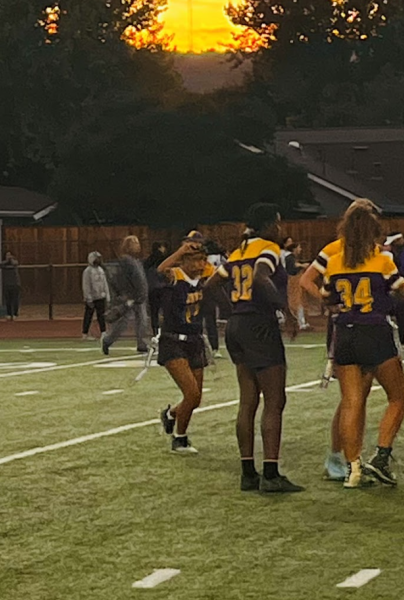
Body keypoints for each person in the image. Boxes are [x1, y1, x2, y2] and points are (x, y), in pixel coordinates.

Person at [209, 202, 303, 493]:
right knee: (274, 401)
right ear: (268, 225)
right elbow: (262, 277)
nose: (281, 228)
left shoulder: (238, 252)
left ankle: (248, 472)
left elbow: (211, 286)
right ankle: (271, 474)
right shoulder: (267, 249)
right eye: (277, 223)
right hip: (259, 327)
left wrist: (234, 310)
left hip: (238, 327)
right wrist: (285, 311)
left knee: (248, 401)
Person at [321, 204, 404, 488]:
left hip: (345, 332)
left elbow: (326, 296)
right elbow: (401, 290)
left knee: (351, 402)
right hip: (375, 331)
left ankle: (353, 470)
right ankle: (381, 455)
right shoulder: (382, 259)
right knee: (398, 397)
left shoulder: (335, 262)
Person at [299, 199, 381, 482]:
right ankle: (338, 455)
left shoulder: (369, 250)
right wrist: (329, 302)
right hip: (349, 327)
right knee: (352, 397)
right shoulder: (335, 249)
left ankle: (350, 453)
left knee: (359, 395)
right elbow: (306, 280)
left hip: (361, 326)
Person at [156, 237, 215, 454]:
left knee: (195, 398)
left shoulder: (205, 276)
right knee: (190, 392)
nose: (200, 265)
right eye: (195, 260)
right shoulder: (176, 276)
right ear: (183, 261)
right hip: (173, 340)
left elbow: (223, 274)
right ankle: (179, 439)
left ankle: (171, 414)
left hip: (195, 340)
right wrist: (180, 251)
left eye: (202, 260)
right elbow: (161, 269)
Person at [102, 236, 150, 355]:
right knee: (122, 322)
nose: (137, 245)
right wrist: (127, 295)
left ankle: (142, 344)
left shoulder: (136, 261)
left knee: (142, 320)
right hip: (131, 296)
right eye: (134, 243)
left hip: (139, 296)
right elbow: (125, 279)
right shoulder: (126, 261)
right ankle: (108, 340)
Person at [81, 251, 110, 341]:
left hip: (101, 297)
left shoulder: (101, 270)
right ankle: (85, 333)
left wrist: (107, 295)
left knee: (101, 315)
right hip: (92, 298)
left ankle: (103, 332)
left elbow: (105, 283)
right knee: (88, 316)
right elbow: (86, 285)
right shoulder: (88, 271)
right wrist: (88, 297)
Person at [1, 250, 21, 320]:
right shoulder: (4, 263)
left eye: (10, 255)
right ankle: (9, 313)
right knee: (8, 300)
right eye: (7, 255)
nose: (8, 256)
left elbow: (15, 263)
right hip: (7, 284)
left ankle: (15, 313)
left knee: (15, 300)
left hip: (15, 284)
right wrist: (7, 260)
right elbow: (1, 264)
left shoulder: (15, 262)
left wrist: (11, 259)